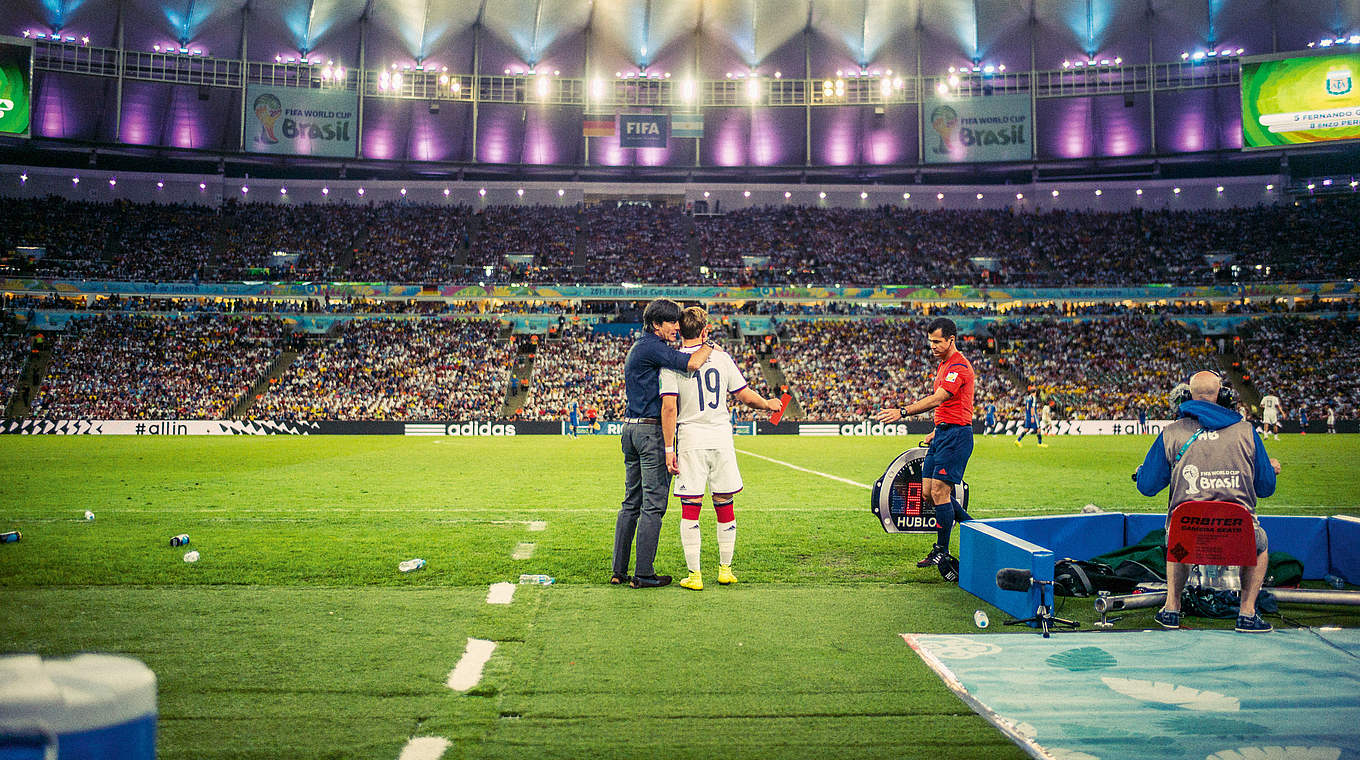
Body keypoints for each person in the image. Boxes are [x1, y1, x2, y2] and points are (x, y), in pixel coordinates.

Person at [1135, 371, 1282, 633]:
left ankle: (1171, 609)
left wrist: (1144, 471)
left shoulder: (1172, 433)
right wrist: (1270, 469)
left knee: (1177, 538)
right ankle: (1247, 613)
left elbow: (1146, 487)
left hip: (1187, 535)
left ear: (1185, 396)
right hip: (1237, 534)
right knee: (1261, 544)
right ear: (1224, 396)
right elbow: (1266, 488)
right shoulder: (1247, 432)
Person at [660, 307, 783, 591]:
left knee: (690, 507)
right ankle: (725, 570)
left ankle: (695, 575)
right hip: (721, 438)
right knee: (725, 504)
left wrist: (669, 448)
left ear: (680, 330)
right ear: (705, 331)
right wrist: (768, 404)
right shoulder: (722, 358)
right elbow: (745, 396)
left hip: (691, 439)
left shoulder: (672, 362)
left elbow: (669, 407)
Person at [613, 299, 714, 589]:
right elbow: (693, 362)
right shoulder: (654, 347)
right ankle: (643, 573)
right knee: (653, 505)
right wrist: (709, 344)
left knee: (631, 502)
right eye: (671, 322)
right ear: (657, 324)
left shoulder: (639, 346)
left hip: (630, 429)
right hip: (649, 433)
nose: (677, 327)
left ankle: (619, 570)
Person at [873, 317, 976, 571]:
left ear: (951, 339)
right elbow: (948, 407)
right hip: (942, 434)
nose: (932, 346)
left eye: (937, 341)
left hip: (957, 436)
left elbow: (939, 398)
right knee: (929, 493)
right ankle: (977, 529)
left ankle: (942, 550)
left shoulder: (958, 367)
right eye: (930, 341)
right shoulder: (943, 365)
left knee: (940, 493)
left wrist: (903, 411)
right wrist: (935, 430)